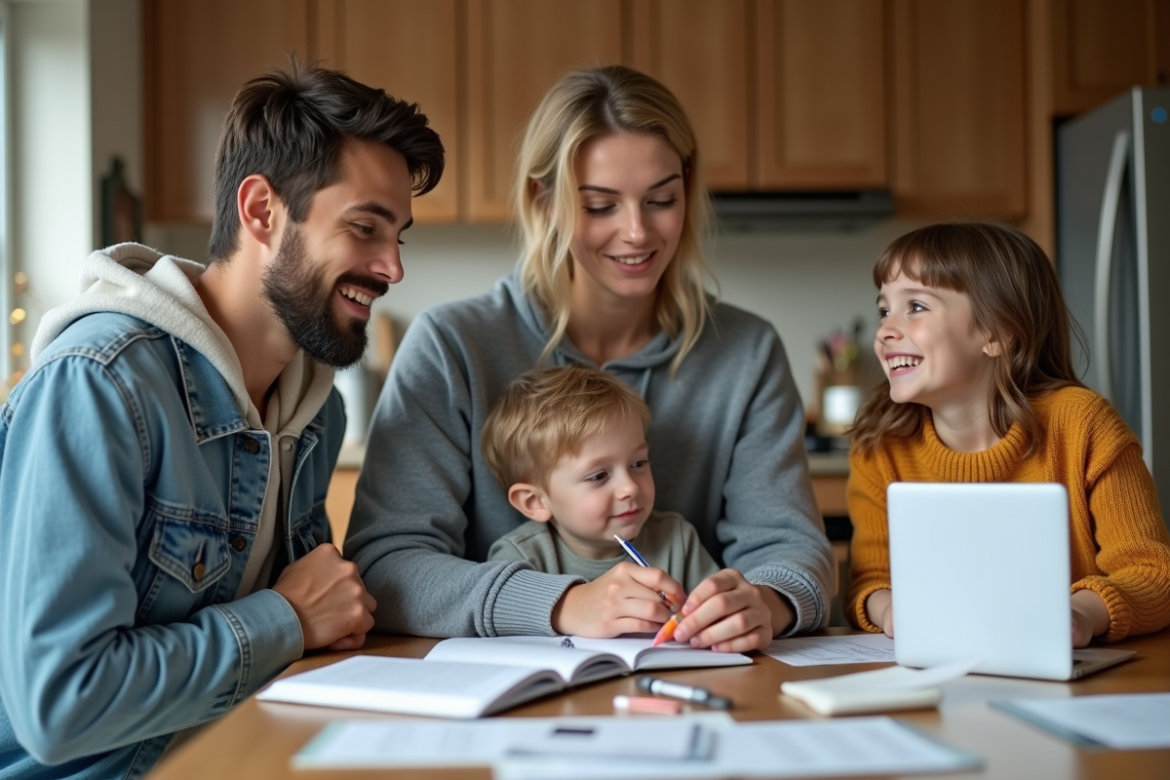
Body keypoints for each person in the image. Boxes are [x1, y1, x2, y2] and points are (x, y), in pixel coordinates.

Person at [0, 63, 444, 779]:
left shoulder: (314, 410)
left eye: (400, 237)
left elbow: (320, 623)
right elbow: (62, 706)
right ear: (262, 210)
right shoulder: (98, 387)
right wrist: (287, 620)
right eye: (364, 228)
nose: (392, 266)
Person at [347, 65, 834, 652]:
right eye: (601, 206)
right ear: (544, 201)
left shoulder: (747, 352)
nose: (636, 232)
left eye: (661, 200)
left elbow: (792, 552)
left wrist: (769, 603)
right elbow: (387, 569)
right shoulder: (452, 346)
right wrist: (563, 603)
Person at [845, 222, 1170, 646]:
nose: (885, 330)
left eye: (917, 307)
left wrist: (1076, 617)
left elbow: (1153, 574)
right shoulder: (879, 443)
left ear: (996, 333)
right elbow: (870, 581)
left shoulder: (1082, 424)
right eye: (884, 310)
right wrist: (890, 610)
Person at [483, 365, 721, 594]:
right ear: (534, 501)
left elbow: (718, 616)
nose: (629, 487)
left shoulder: (677, 541)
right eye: (599, 476)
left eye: (638, 464)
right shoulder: (519, 559)